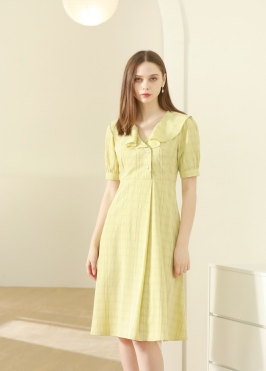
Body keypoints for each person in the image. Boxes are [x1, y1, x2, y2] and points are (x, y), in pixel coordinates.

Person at [86, 50, 200, 371]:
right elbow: (111, 191)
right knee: (124, 331)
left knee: (144, 333)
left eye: (152, 78)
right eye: (138, 79)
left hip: (160, 237)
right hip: (120, 236)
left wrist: (182, 244)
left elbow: (189, 190)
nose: (145, 86)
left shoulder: (183, 125)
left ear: (164, 80)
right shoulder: (116, 130)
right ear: (130, 83)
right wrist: (94, 244)